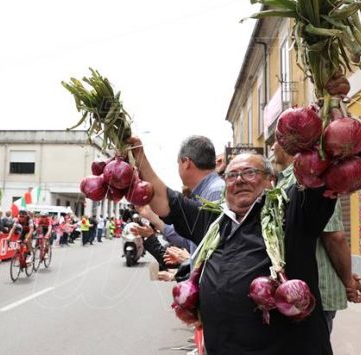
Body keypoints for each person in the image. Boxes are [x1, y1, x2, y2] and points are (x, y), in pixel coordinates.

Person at [131, 136, 337, 355]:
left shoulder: (291, 212)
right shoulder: (213, 220)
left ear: (270, 180)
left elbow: (320, 175)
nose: (239, 180)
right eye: (232, 176)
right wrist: (139, 155)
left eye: (250, 172)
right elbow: (163, 199)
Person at [271, 141, 361, 334]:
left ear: (291, 145)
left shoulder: (310, 180)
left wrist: (348, 281)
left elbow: (333, 237)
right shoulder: (287, 180)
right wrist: (348, 278)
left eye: (277, 141)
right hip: (300, 290)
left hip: (318, 291)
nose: (272, 147)